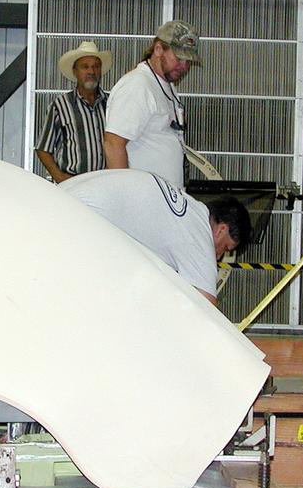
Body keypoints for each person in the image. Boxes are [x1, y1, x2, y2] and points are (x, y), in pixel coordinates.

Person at [60, 168, 247, 305]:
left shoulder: (191, 209)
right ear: (221, 230)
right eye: (225, 248)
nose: (219, 256)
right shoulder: (198, 237)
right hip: (77, 218)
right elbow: (208, 311)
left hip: (60, 198)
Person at [103, 20, 201, 188]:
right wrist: (124, 195)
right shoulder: (137, 85)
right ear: (158, 49)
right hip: (142, 200)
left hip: (164, 200)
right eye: (178, 58)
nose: (184, 66)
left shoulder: (166, 85)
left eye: (188, 61)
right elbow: (113, 144)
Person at [35, 40, 112, 183]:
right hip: (72, 184)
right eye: (85, 67)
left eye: (96, 66)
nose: (91, 71)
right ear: (75, 71)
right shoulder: (60, 105)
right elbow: (43, 148)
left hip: (104, 184)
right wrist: (58, 176)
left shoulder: (112, 104)